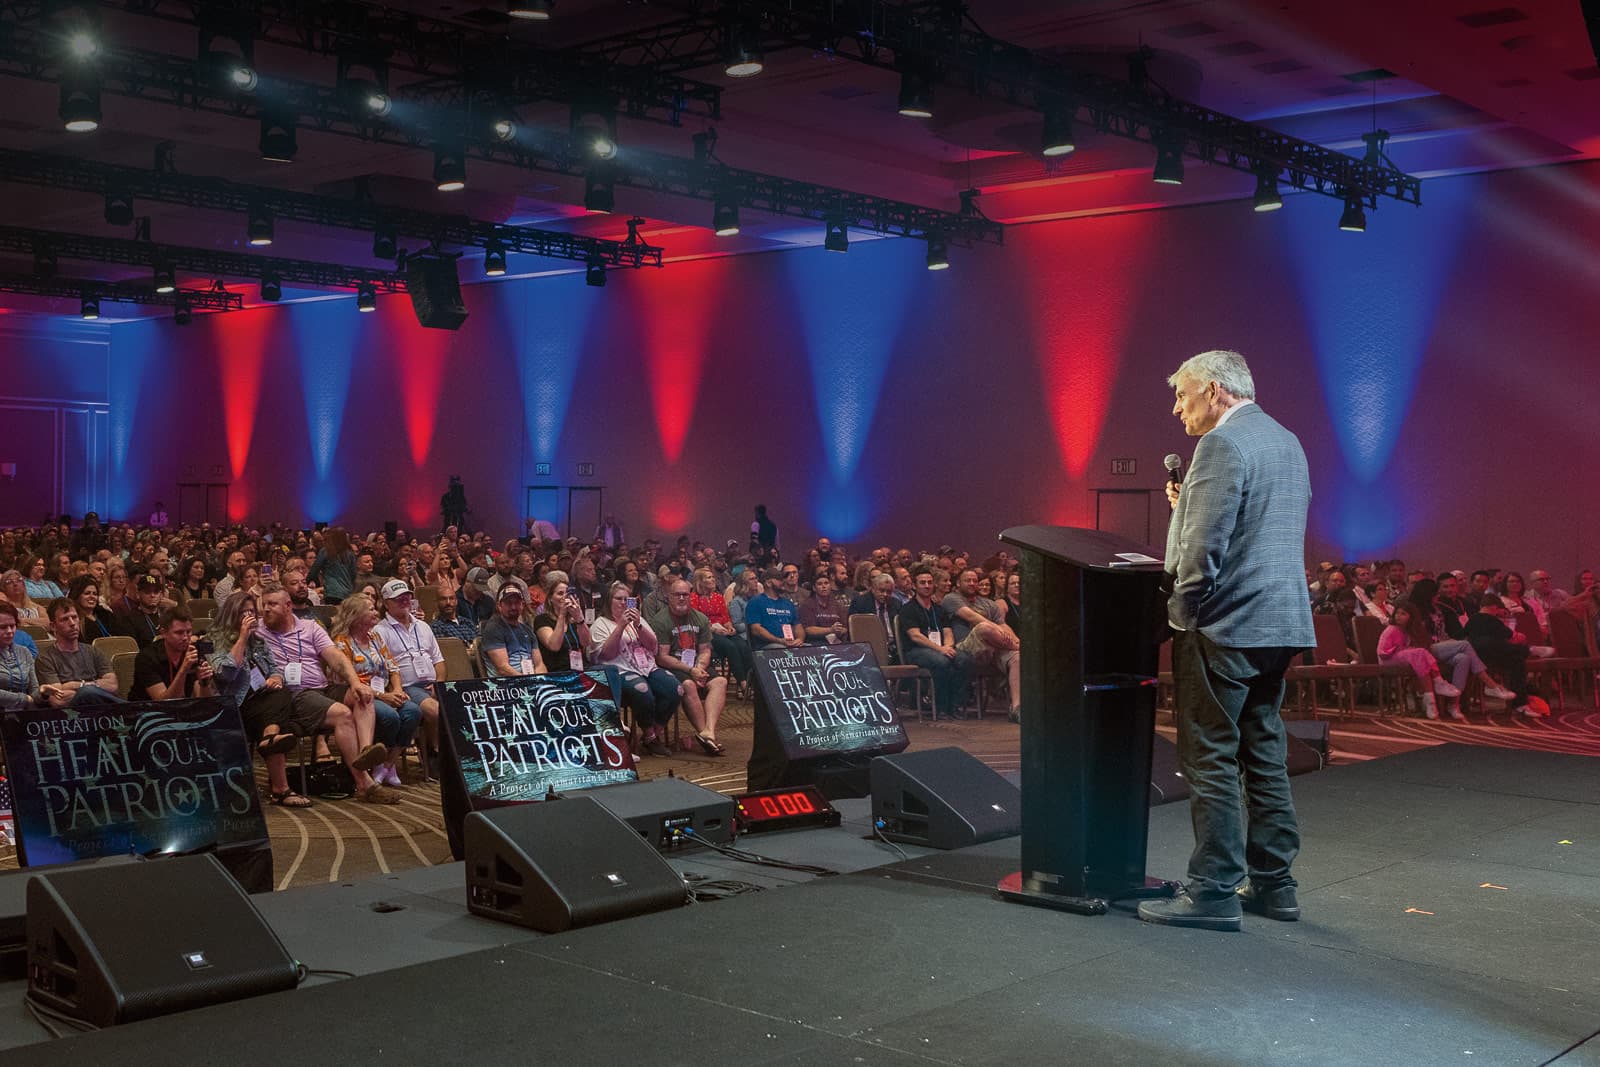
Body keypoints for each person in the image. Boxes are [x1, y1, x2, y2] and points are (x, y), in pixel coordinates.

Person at [1139, 349, 1313, 932]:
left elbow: (1203, 552)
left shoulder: (1219, 444)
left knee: (1209, 754)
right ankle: (1275, 884)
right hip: (1279, 623)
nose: (1177, 407)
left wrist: (1181, 615)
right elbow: (1258, 527)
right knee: (1263, 752)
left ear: (1213, 390)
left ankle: (1212, 889)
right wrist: (1187, 500)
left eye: (1183, 395)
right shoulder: (1286, 440)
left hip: (1226, 623)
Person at [255, 581, 398, 804]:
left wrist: (355, 683)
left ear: (288, 606)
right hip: (297, 694)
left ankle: (365, 751)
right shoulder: (259, 630)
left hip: (323, 688)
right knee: (342, 714)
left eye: (272, 604)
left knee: (364, 695)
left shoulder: (310, 627)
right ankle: (365, 784)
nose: (266, 609)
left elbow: (336, 657)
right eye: (264, 604)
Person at [206, 591, 314, 806]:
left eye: (251, 612)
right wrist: (242, 637)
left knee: (281, 693)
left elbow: (275, 668)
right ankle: (280, 787)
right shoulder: (214, 639)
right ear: (232, 614)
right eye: (244, 612)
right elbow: (225, 673)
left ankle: (270, 741)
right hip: (233, 706)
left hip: (260, 702)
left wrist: (275, 677)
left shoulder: (259, 642)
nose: (250, 616)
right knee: (279, 710)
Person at [332, 594, 423, 788]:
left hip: (385, 690)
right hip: (360, 694)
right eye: (370, 609)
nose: (376, 612)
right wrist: (383, 696)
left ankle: (388, 763)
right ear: (356, 615)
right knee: (390, 716)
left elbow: (393, 667)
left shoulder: (375, 636)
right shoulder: (342, 642)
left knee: (412, 711)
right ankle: (378, 761)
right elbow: (344, 681)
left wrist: (397, 689)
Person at [589, 581, 679, 757]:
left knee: (675, 688)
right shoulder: (600, 624)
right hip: (619, 671)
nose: (623, 603)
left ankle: (654, 732)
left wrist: (638, 625)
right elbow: (606, 654)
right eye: (618, 599)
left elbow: (654, 647)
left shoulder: (639, 619)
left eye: (627, 599)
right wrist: (621, 625)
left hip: (647, 667)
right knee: (642, 690)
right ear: (609, 601)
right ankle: (649, 735)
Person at [374, 579, 445, 774]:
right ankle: (438, 754)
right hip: (407, 686)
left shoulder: (423, 626)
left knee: (458, 709)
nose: (405, 601)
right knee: (437, 711)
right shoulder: (380, 631)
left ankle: (436, 751)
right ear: (386, 603)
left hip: (433, 683)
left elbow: (438, 660)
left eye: (407, 597)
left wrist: (438, 683)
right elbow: (384, 667)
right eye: (398, 599)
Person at [652, 578, 727, 755]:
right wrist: (691, 671)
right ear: (668, 597)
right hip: (673, 666)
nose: (681, 598)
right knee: (688, 685)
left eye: (685, 594)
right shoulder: (660, 621)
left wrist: (699, 667)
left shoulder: (700, 618)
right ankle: (706, 736)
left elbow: (705, 650)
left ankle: (708, 732)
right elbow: (662, 657)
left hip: (694, 664)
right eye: (677, 595)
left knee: (721, 682)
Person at [898, 565, 973, 719]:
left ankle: (956, 705)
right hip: (916, 651)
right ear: (914, 585)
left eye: (930, 582)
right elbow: (915, 636)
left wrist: (948, 646)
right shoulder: (908, 609)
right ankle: (941, 708)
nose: (927, 586)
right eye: (922, 583)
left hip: (940, 648)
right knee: (942, 661)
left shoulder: (938, 609)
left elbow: (948, 632)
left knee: (963, 658)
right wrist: (940, 649)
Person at [1377, 602, 1461, 720]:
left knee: (1421, 655)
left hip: (1402, 658)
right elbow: (1382, 652)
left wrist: (1408, 650)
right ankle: (1438, 682)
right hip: (1388, 660)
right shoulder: (1391, 629)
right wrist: (1403, 650)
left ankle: (1431, 701)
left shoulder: (1407, 631)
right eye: (1397, 613)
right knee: (1419, 653)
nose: (1398, 616)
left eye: (1403, 614)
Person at [34, 598, 123, 705]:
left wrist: (75, 685)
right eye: (65, 619)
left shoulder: (93, 651)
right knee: (87, 692)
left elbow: (113, 685)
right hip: (72, 715)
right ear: (53, 626)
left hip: (105, 710)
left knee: (88, 691)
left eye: (74, 617)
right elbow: (58, 700)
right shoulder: (45, 658)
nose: (72, 623)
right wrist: (92, 688)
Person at [130, 606, 216, 701]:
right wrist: (184, 669)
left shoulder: (193, 651)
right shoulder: (146, 657)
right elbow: (163, 703)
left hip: (183, 710)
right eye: (179, 633)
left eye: (188, 632)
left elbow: (203, 701)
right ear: (163, 633)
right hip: (148, 711)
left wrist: (204, 683)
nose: (185, 637)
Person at [690, 566, 751, 693]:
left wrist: (729, 626)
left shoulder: (718, 597)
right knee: (730, 646)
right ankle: (743, 683)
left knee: (742, 644)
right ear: (700, 581)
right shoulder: (694, 597)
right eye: (709, 577)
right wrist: (714, 629)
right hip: (707, 633)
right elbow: (696, 620)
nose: (713, 579)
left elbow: (725, 616)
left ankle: (749, 681)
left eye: (713, 577)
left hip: (722, 629)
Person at [479, 582, 543, 677]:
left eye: (517, 603)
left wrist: (541, 682)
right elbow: (503, 669)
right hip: (506, 685)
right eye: (508, 603)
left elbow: (539, 665)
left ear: (522, 605)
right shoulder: (493, 628)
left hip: (530, 681)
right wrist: (529, 682)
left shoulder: (527, 630)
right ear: (499, 606)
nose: (513, 607)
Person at [533, 571, 590, 674]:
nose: (564, 597)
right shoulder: (542, 619)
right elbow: (554, 646)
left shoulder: (574, 619)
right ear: (550, 598)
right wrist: (562, 615)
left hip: (580, 670)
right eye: (560, 594)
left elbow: (586, 643)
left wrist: (580, 618)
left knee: (609, 671)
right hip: (558, 672)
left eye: (566, 593)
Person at [744, 568, 804, 652]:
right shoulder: (755, 602)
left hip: (790, 642)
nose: (783, 582)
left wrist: (799, 639)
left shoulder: (788, 603)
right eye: (779, 579)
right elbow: (756, 629)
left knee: (809, 648)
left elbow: (798, 625)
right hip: (767, 646)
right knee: (780, 648)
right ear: (768, 583)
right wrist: (779, 640)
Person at [309, 527, 357, 604]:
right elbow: (353, 574)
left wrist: (306, 582)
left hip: (332, 592)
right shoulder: (350, 553)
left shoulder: (325, 551)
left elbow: (314, 570)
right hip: (348, 592)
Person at [113, 573, 165, 643]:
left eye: (156, 592)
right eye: (147, 592)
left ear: (161, 595)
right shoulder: (129, 620)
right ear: (138, 594)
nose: (152, 595)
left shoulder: (168, 616)